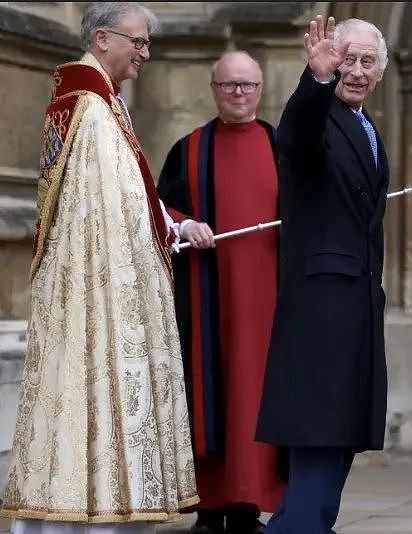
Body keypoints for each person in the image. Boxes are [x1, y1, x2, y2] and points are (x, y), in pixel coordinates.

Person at [0, 2, 199, 533]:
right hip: (98, 287)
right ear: (104, 38)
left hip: (103, 279)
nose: (146, 54)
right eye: (138, 42)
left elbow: (132, 192)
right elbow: (104, 210)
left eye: (149, 43)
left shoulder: (105, 102)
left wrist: (170, 227)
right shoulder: (87, 105)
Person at [254, 15, 390, 534]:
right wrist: (316, 80)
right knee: (317, 445)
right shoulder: (321, 115)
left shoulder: (366, 124)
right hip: (321, 311)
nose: (355, 71)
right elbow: (296, 137)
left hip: (354, 309)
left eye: (366, 62)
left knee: (334, 450)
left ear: (381, 72)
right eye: (347, 59)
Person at [156, 50, 285, 534]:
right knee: (208, 394)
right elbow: (159, 209)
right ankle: (209, 508)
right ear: (214, 89)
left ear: (260, 89)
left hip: (270, 302)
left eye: (248, 85)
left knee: (256, 397)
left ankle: (248, 506)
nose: (239, 94)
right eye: (230, 85)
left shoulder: (282, 146)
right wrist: (186, 224)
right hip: (207, 300)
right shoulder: (189, 150)